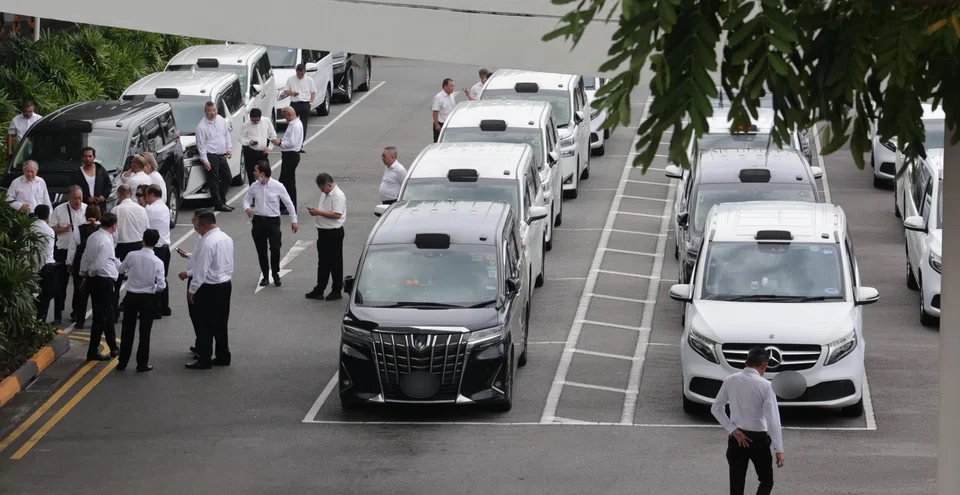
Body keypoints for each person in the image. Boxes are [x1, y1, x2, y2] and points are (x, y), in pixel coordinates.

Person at [711, 346, 785, 495]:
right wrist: (779, 449)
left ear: (746, 362)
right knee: (766, 481)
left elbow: (716, 408)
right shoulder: (766, 386)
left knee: (736, 484)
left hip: (737, 438)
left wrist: (733, 430)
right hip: (759, 439)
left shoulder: (730, 380)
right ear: (764, 365)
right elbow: (773, 419)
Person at [186, 211, 234, 370]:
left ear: (205, 226)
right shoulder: (226, 238)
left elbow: (201, 270)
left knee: (204, 324)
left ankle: (205, 359)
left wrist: (192, 289)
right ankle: (223, 355)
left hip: (208, 287)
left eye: (197, 227)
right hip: (225, 284)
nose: (196, 230)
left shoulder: (207, 242)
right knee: (221, 323)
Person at [117, 228, 165, 372]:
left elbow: (120, 270)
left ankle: (122, 362)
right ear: (156, 243)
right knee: (145, 332)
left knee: (127, 330)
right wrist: (152, 286)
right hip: (148, 298)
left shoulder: (132, 255)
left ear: (143, 240)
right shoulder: (158, 262)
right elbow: (162, 286)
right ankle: (142, 363)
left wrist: (115, 261)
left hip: (131, 296)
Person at [243, 162, 298, 287]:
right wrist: (247, 208)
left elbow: (289, 203)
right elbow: (246, 199)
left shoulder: (278, 186)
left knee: (275, 248)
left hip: (272, 222)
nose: (253, 173)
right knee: (261, 250)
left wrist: (294, 221)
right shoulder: (254, 186)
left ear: (262, 173)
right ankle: (265, 276)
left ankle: (275, 273)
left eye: (255, 171)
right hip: (258, 221)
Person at [78, 212, 121, 361]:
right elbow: (98, 264)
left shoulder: (93, 237)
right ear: (114, 225)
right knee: (100, 317)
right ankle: (93, 350)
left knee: (107, 314)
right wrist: (90, 273)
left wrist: (84, 274)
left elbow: (85, 256)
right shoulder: (106, 241)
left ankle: (113, 347)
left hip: (95, 279)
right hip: (103, 280)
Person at [50, 185, 86, 325]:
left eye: (80, 198)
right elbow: (51, 227)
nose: (78, 201)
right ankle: (58, 313)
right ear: (68, 197)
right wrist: (63, 229)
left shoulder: (86, 209)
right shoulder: (60, 209)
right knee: (60, 285)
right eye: (75, 198)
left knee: (79, 285)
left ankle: (76, 312)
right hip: (63, 251)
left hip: (78, 253)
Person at [306, 173, 346, 301]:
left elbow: (337, 214)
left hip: (333, 233)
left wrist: (319, 212)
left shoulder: (338, 195)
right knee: (323, 262)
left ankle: (336, 290)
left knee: (335, 263)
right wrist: (317, 212)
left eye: (322, 187)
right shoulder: (326, 193)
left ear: (329, 184)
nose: (321, 190)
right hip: (323, 232)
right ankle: (320, 289)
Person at [113, 184, 149, 320]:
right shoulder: (141, 210)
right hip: (137, 245)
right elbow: (146, 228)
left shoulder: (116, 209)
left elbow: (114, 231)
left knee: (117, 279)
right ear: (131, 194)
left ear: (119, 195)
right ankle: (138, 310)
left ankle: (114, 312)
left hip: (121, 246)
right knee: (138, 279)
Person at [195, 101, 234, 212]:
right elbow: (201, 145)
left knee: (227, 177)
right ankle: (218, 203)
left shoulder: (221, 120)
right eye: (209, 111)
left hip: (221, 154)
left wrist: (229, 148)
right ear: (205, 112)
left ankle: (221, 200)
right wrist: (205, 160)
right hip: (210, 155)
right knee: (214, 181)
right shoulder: (201, 127)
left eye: (214, 110)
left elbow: (226, 134)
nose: (212, 113)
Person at [178, 210, 207, 357]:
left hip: (198, 280)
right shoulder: (201, 237)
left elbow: (203, 266)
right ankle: (200, 344)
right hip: (197, 277)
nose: (194, 227)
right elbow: (197, 257)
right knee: (196, 316)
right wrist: (188, 255)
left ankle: (203, 348)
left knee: (198, 316)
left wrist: (187, 274)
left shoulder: (205, 240)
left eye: (195, 223)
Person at [67, 205, 102, 329]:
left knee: (81, 293)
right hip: (97, 264)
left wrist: (70, 263)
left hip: (80, 263)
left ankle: (79, 319)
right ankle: (97, 321)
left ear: (85, 215)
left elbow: (72, 248)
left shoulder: (78, 229)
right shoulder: (102, 229)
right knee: (97, 295)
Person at [144, 185, 172, 316]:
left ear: (151, 194)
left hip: (156, 248)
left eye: (146, 196)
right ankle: (164, 307)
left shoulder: (150, 209)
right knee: (163, 277)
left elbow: (145, 226)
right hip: (166, 247)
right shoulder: (165, 207)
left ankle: (155, 309)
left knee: (153, 279)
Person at [274, 106, 304, 212]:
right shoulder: (294, 124)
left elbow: (293, 142)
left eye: (284, 115)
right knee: (285, 181)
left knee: (288, 182)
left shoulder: (295, 126)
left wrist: (280, 143)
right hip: (289, 155)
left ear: (289, 114)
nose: (284, 118)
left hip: (291, 155)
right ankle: (284, 205)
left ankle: (290, 206)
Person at [31, 204, 56, 322]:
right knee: (45, 297)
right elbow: (47, 252)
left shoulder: (28, 228)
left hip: (30, 268)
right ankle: (40, 322)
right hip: (46, 268)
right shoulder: (49, 231)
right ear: (48, 216)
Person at [240, 108, 276, 184]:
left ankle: (264, 193)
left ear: (260, 117)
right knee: (252, 176)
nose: (255, 122)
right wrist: (249, 142)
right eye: (253, 121)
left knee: (265, 175)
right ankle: (254, 194)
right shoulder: (246, 124)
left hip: (262, 153)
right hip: (251, 153)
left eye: (257, 120)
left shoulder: (266, 121)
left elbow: (273, 135)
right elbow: (241, 139)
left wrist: (270, 147)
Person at [282, 63, 316, 143]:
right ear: (296, 71)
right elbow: (285, 91)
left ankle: (300, 144)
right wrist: (292, 93)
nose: (300, 75)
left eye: (302, 74)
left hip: (305, 103)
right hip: (294, 104)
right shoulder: (291, 79)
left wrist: (310, 103)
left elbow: (313, 93)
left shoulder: (309, 80)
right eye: (298, 73)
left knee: (303, 125)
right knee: (292, 124)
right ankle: (291, 141)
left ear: (305, 72)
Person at [432, 78, 457, 143]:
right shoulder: (438, 97)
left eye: (453, 86)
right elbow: (435, 111)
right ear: (445, 86)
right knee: (439, 143)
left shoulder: (451, 95)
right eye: (451, 86)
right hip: (441, 124)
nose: (452, 88)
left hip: (449, 124)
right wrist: (437, 125)